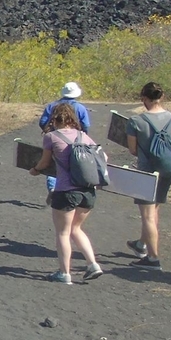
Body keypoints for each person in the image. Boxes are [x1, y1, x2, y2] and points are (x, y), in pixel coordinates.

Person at [29, 102, 104, 284]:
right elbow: (103, 156)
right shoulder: (84, 136)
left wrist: (35, 170)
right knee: (76, 229)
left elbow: (45, 162)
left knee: (62, 233)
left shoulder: (51, 137)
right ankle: (93, 264)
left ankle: (64, 273)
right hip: (87, 191)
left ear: (55, 118)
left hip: (66, 191)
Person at [125, 81, 171, 270]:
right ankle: (142, 244)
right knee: (155, 211)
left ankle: (153, 258)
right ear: (162, 97)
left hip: (146, 172)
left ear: (144, 98)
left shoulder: (136, 122)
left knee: (148, 216)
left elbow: (133, 150)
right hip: (168, 169)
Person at [39, 82, 91, 201]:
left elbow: (42, 122)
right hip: (77, 141)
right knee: (74, 163)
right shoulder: (80, 108)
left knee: (53, 162)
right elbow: (86, 125)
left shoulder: (52, 106)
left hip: (55, 139)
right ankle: (73, 186)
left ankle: (53, 187)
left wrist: (50, 132)